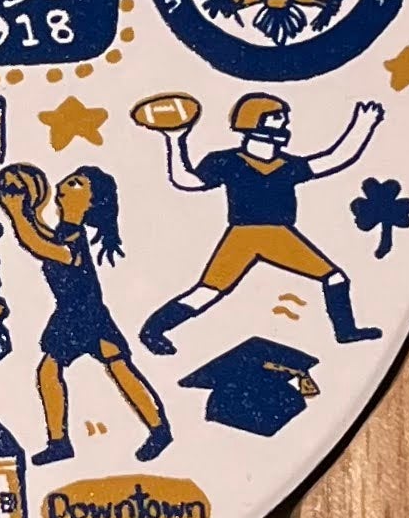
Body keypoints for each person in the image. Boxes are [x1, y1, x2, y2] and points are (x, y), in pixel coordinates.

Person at [137, 92, 383, 355]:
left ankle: (345, 332)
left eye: (284, 118)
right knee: (208, 291)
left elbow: (334, 159)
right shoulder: (228, 161)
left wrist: (362, 126)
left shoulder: (287, 165)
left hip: (280, 235)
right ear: (255, 121)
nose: (284, 124)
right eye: (277, 118)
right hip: (244, 236)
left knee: (334, 277)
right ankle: (153, 330)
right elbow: (187, 180)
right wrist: (175, 140)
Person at [0, 162, 172, 466]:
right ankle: (66, 441)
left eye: (77, 183)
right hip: (76, 312)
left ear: (90, 203)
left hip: (83, 313)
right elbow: (40, 235)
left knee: (94, 369)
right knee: (92, 369)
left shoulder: (74, 238)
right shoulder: (63, 232)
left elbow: (38, 245)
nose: (66, 183)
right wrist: (27, 212)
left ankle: (154, 430)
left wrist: (16, 213)